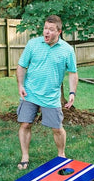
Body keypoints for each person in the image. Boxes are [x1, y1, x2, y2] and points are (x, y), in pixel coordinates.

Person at [16, 15, 78, 170]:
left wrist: (72, 93)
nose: (47, 32)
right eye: (45, 28)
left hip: (51, 96)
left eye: (51, 29)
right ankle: (25, 156)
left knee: (57, 128)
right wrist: (20, 85)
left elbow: (72, 73)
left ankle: (61, 155)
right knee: (25, 124)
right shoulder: (33, 44)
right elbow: (21, 65)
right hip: (30, 93)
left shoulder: (67, 50)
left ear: (59, 31)